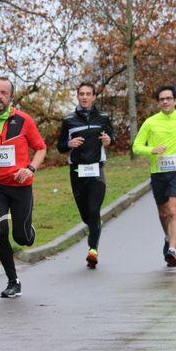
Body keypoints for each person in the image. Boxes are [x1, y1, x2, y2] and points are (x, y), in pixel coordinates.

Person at [0, 78, 47, 297]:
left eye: (3, 93)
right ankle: (13, 281)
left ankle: (29, 232)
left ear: (11, 97)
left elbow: (41, 148)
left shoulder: (24, 120)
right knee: (0, 232)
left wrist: (30, 169)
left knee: (21, 238)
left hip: (21, 186)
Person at [132, 85, 176, 268]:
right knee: (163, 213)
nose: (165, 101)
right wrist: (151, 150)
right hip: (158, 173)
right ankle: (168, 237)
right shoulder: (150, 122)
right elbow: (136, 146)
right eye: (161, 99)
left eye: (168, 98)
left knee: (173, 210)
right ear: (158, 103)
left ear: (175, 101)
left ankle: (172, 250)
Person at [56, 82, 115, 269]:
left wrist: (109, 140)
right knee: (86, 215)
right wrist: (69, 144)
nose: (84, 97)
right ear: (78, 96)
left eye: (88, 94)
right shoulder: (69, 120)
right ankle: (95, 225)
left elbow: (112, 138)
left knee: (93, 209)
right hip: (77, 172)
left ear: (94, 97)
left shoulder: (103, 118)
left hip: (97, 171)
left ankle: (93, 250)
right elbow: (60, 146)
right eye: (81, 94)